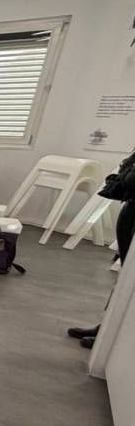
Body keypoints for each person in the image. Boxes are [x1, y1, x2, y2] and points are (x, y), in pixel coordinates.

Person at [67, 148, 135, 348]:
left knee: (129, 281)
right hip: (130, 209)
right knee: (124, 278)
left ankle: (114, 337)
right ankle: (107, 327)